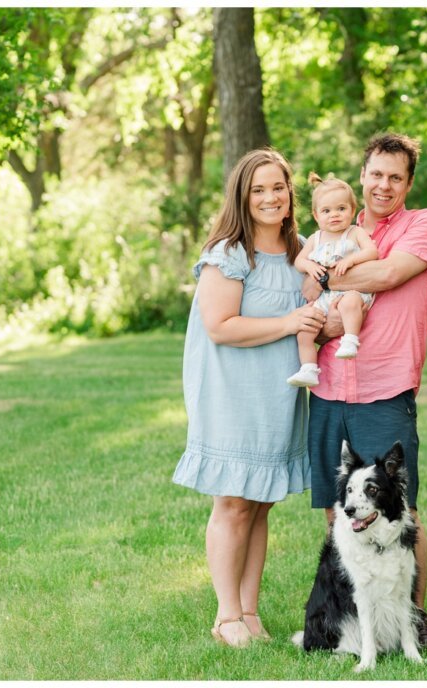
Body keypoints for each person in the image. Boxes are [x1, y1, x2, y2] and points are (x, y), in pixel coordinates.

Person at [173, 148, 327, 649]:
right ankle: (225, 617)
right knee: (234, 503)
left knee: (260, 503)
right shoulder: (230, 252)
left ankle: (249, 612)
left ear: (290, 194)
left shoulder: (303, 248)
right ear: (242, 196)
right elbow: (220, 327)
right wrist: (288, 322)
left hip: (277, 396)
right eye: (257, 189)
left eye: (277, 187)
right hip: (232, 393)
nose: (269, 197)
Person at [302, 132, 427, 649]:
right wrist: (331, 303)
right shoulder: (335, 225)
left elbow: (387, 274)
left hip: (385, 387)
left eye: (395, 176)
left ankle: (413, 623)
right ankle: (356, 626)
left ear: (408, 183)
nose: (383, 185)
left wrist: (330, 286)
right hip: (328, 388)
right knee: (340, 511)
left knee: (399, 512)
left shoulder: (425, 225)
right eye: (376, 174)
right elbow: (309, 304)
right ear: (362, 175)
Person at [287, 173, 378, 387]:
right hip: (325, 297)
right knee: (305, 328)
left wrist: (353, 259)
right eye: (326, 211)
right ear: (316, 215)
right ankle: (309, 368)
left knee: (349, 304)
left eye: (341, 209)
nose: (334, 215)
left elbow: (372, 252)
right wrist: (310, 265)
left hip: (351, 292)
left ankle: (350, 339)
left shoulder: (355, 233)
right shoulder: (314, 239)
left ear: (352, 210)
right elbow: (300, 261)